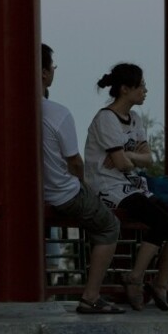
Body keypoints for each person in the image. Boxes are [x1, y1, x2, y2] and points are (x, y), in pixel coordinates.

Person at [84, 63, 168, 312]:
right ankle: (134, 278)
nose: (145, 90)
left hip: (133, 185)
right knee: (162, 223)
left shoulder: (135, 118)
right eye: (141, 85)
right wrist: (129, 157)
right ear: (125, 89)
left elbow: (148, 158)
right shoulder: (106, 119)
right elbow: (120, 163)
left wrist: (127, 155)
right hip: (108, 187)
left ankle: (159, 283)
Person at [41, 43, 124, 314]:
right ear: (43, 73)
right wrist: (85, 184)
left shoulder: (6, 108)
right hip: (62, 193)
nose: (53, 71)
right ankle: (90, 297)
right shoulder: (58, 113)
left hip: (35, 194)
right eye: (52, 67)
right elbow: (75, 162)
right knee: (109, 226)